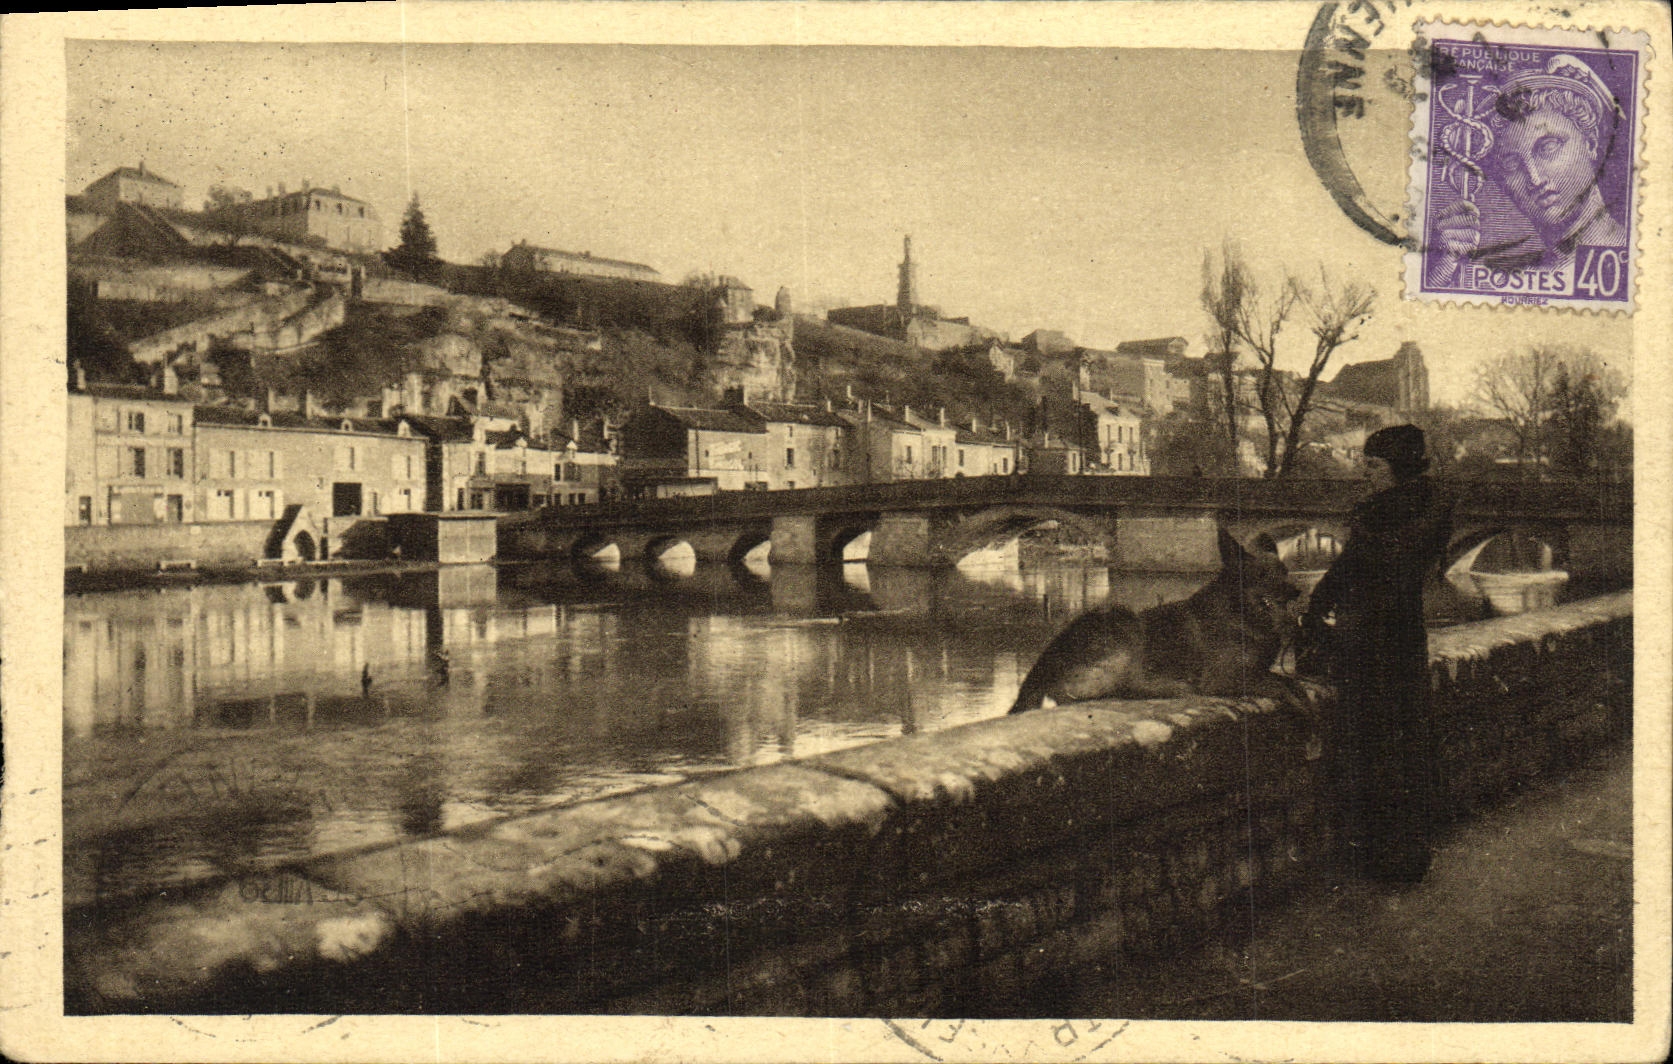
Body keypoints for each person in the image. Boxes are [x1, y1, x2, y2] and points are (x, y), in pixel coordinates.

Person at [1300, 424, 1454, 884]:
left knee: (1377, 747)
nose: (1365, 473)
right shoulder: (1417, 509)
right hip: (1400, 639)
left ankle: (1387, 860)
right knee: (1401, 744)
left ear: (1397, 468)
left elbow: (1358, 570)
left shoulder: (1389, 517)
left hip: (1374, 642)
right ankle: (1402, 856)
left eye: (1373, 465)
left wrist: (1320, 607)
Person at [1434, 53, 1628, 278]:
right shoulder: (1520, 273)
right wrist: (1444, 266)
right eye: (1511, 165)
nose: (1534, 179)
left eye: (1548, 148)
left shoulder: (1639, 257)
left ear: (1591, 143)